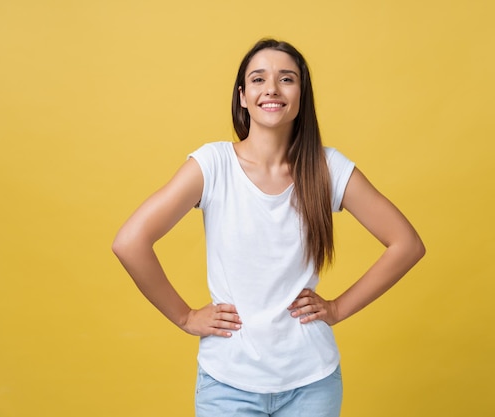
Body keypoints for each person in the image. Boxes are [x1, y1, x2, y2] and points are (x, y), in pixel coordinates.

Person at [112, 38, 425, 417]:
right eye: (258, 79)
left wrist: (338, 308)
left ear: (301, 95)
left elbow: (406, 244)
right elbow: (130, 242)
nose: (272, 89)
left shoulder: (326, 169)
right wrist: (184, 316)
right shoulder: (213, 165)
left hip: (313, 382)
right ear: (242, 96)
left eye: (286, 79)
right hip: (227, 383)